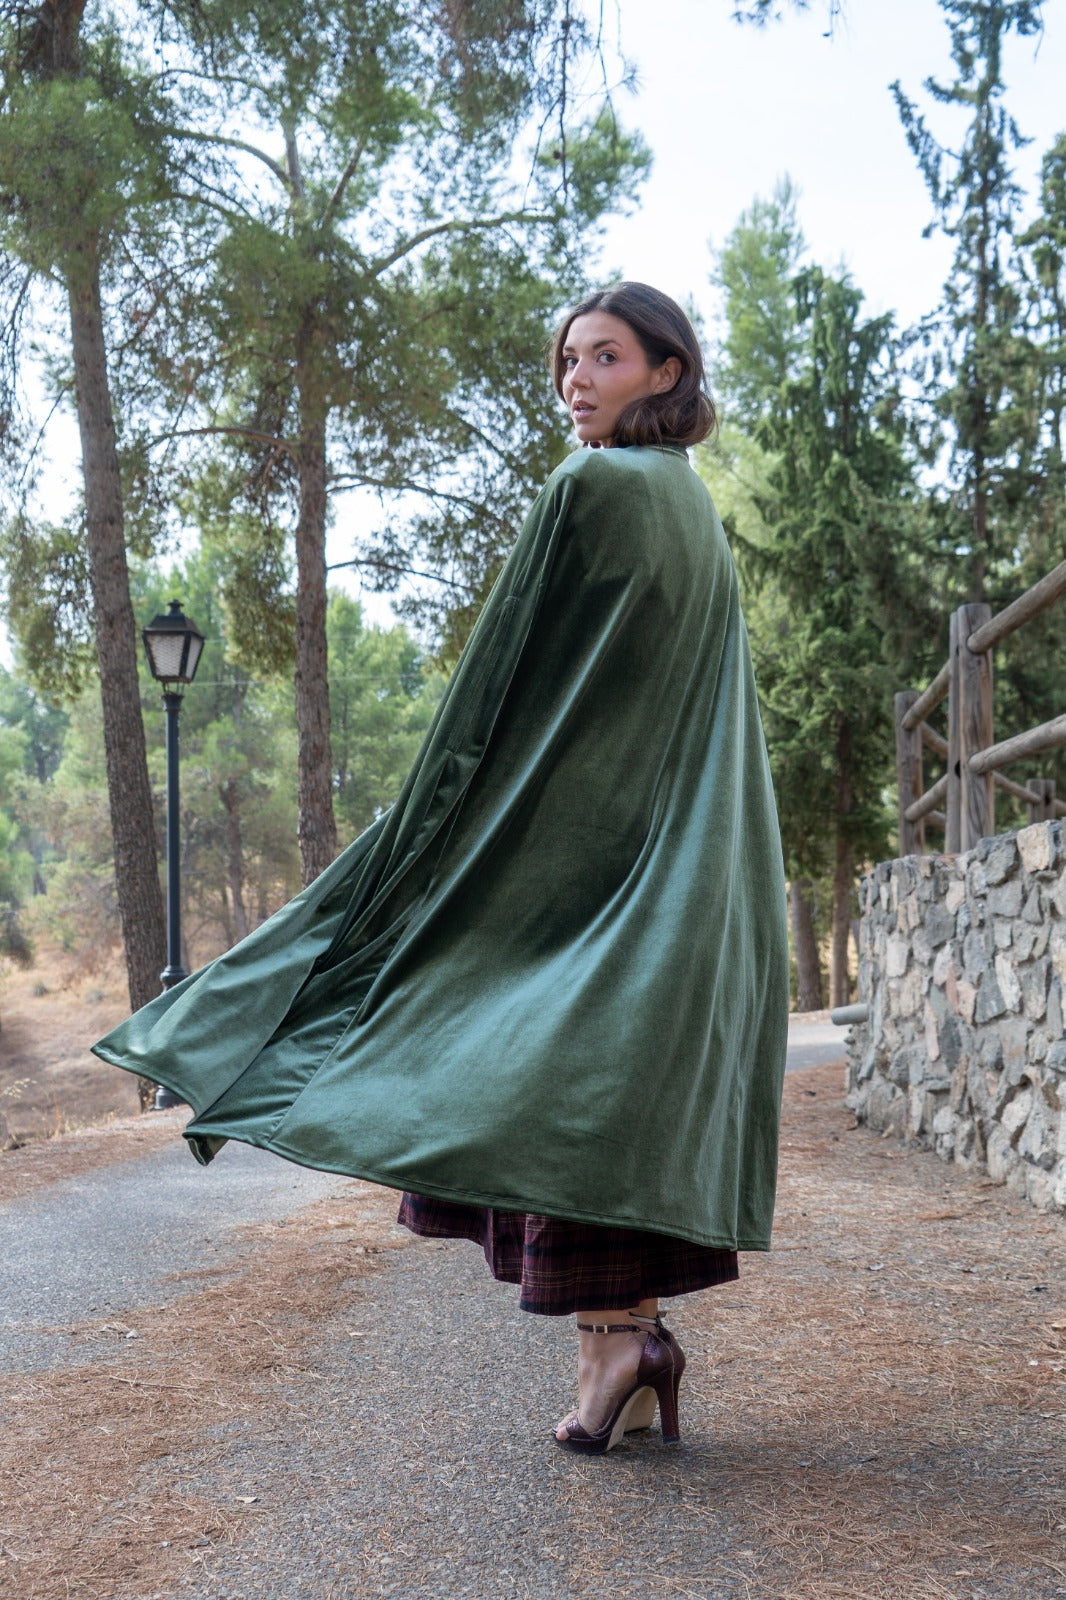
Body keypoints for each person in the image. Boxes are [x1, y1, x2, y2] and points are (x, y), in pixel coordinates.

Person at [94, 282, 788, 1457]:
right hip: (690, 863)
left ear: (666, 372)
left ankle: (616, 1350)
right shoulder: (689, 503)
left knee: (528, 1073)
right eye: (566, 361)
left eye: (605, 357)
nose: (575, 381)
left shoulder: (594, 486)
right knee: (598, 1085)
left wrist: (430, 826)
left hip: (598, 852)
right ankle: (627, 1344)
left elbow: (503, 680)